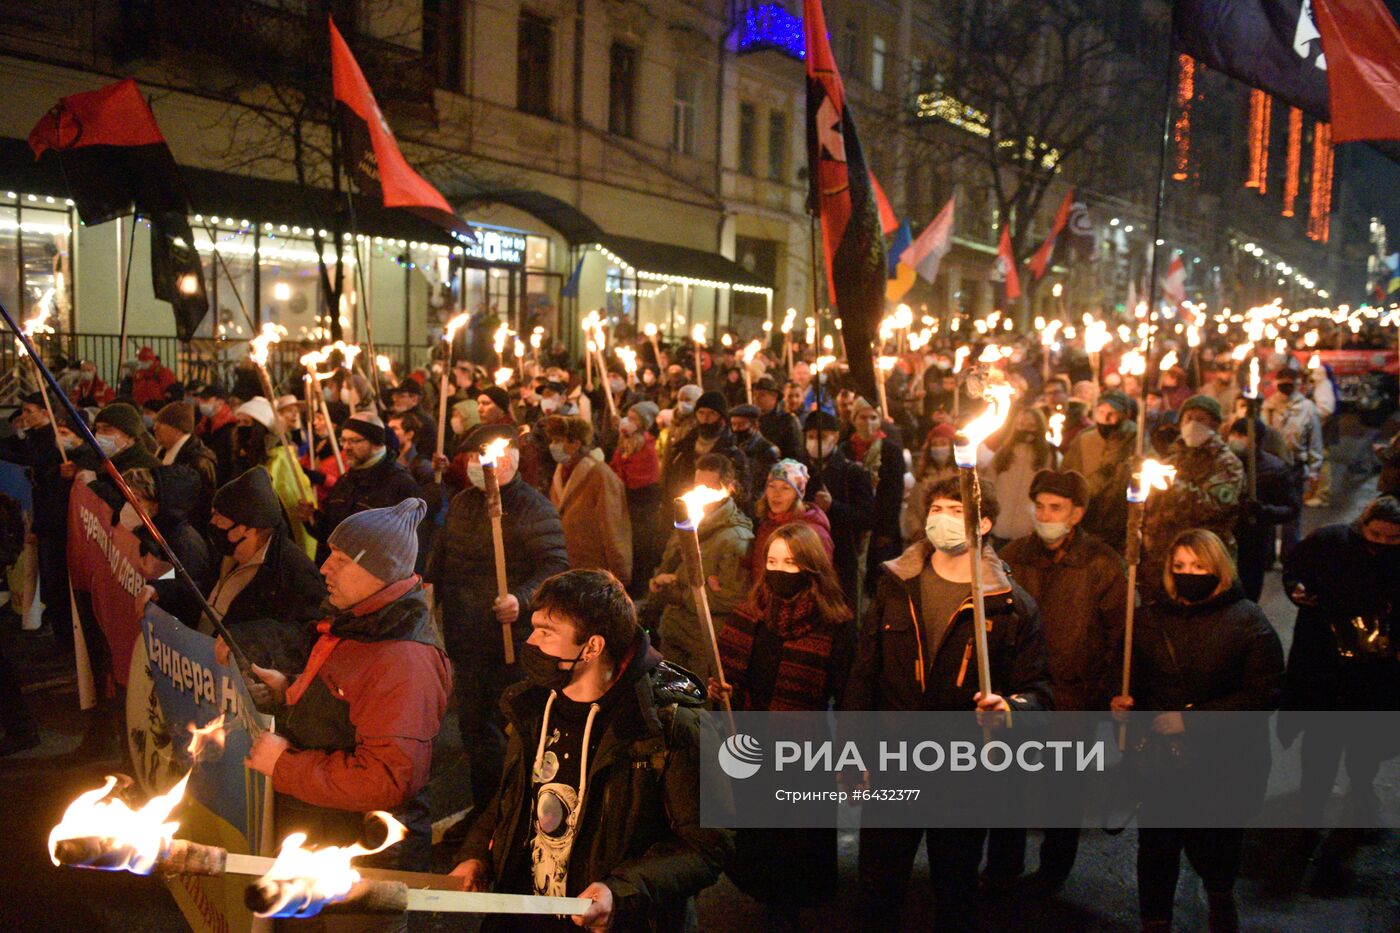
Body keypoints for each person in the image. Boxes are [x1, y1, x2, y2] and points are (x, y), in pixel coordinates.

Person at [449, 569, 733, 932]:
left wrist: (619, 892)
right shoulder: (532, 706)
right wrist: (477, 853)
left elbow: (707, 846)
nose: (531, 641)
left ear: (593, 647)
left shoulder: (668, 725)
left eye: (546, 632)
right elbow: (513, 798)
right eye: (534, 627)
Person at [844, 476, 1051, 932]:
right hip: (892, 760)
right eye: (936, 509)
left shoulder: (1010, 606)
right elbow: (864, 674)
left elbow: (1038, 691)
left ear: (984, 523)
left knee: (955, 887)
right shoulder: (896, 584)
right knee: (878, 883)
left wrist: (1010, 709)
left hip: (964, 771)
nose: (942, 519)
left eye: (956, 512)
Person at [243, 498, 451, 876]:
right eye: (330, 555)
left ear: (381, 571)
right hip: (332, 832)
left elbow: (385, 779)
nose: (324, 569)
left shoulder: (404, 659)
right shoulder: (363, 620)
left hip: (370, 854)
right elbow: (350, 700)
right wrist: (290, 690)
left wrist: (283, 766)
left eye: (342, 560)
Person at [1112, 529, 1284, 933]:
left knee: (1217, 843)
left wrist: (1192, 720)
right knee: (1156, 847)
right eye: (1180, 566)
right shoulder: (1149, 618)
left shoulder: (1247, 622)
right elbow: (1127, 677)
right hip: (1159, 761)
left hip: (1223, 763)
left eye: (1199, 566)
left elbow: (1264, 695)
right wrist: (1121, 703)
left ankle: (1220, 894)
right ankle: (1155, 919)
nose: (1189, 573)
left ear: (1218, 568)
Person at [709, 524, 853, 925]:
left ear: (811, 567)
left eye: (789, 562)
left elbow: (847, 700)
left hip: (802, 752)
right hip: (751, 747)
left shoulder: (834, 626)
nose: (779, 570)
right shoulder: (748, 615)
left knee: (795, 844)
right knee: (759, 840)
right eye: (772, 561)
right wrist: (720, 690)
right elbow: (725, 681)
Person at [426, 424, 570, 817]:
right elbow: (440, 560)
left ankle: (516, 814)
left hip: (512, 643)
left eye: (490, 456)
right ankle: (484, 813)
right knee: (474, 731)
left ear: (515, 459)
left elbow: (555, 567)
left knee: (511, 733)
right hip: (465, 638)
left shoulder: (533, 507)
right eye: (474, 457)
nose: (483, 464)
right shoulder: (463, 503)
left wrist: (520, 600)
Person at [995, 469, 1128, 892]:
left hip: (1073, 696)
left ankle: (1054, 870)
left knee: (1062, 789)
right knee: (1009, 785)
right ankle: (1002, 866)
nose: (1045, 514)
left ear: (1076, 514)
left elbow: (1119, 635)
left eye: (1056, 507)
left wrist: (1099, 691)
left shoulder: (1103, 564)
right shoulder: (1013, 555)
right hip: (1019, 694)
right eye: (1040, 505)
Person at [1280, 495, 1400, 826]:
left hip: (1376, 669)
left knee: (1367, 739)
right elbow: (1295, 568)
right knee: (1322, 739)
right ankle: (1312, 802)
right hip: (1326, 663)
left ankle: (1361, 786)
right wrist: (1296, 588)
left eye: (1393, 539)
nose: (1383, 544)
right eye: (1377, 535)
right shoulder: (1330, 542)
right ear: (1364, 526)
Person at [144, 466, 326, 637]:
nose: (213, 522)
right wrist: (161, 590)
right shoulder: (225, 553)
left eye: (221, 517)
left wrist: (245, 639)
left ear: (250, 528)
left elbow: (301, 634)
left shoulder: (294, 573)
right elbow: (201, 592)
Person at [649, 453, 754, 685]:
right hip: (672, 631)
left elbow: (733, 598)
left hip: (702, 642)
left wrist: (680, 593)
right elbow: (669, 563)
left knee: (698, 711)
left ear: (726, 488)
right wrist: (660, 581)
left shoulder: (735, 537)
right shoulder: (688, 520)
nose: (699, 492)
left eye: (707, 487)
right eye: (697, 485)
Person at [1140, 395, 1244, 603]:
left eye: (1201, 419)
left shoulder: (1226, 464)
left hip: (1201, 560)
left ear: (1215, 423)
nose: (1193, 424)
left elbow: (1217, 507)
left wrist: (1175, 487)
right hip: (1160, 558)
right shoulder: (1172, 459)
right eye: (1188, 418)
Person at [297, 412, 424, 564]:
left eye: (354, 441)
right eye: (343, 440)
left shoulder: (400, 485)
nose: (346, 448)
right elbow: (331, 535)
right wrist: (313, 519)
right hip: (337, 577)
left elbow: (404, 548)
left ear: (376, 443)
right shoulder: (345, 481)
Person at [546, 415, 633, 586]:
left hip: (594, 567)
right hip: (568, 562)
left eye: (558, 440)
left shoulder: (600, 475)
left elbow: (613, 526)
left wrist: (620, 573)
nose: (552, 446)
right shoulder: (561, 470)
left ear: (576, 443)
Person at [801, 410, 874, 609]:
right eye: (811, 437)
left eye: (822, 437)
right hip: (808, 558)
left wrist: (833, 506)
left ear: (835, 437)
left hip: (842, 559)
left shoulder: (854, 472)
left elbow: (867, 518)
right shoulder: (801, 471)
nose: (815, 441)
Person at [233, 396, 318, 560]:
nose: (241, 429)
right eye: (240, 423)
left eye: (247, 423)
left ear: (260, 427)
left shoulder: (280, 458)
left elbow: (289, 502)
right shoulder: (244, 458)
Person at [1226, 417, 1301, 602]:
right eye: (1233, 434)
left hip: (1254, 541)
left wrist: (1263, 511)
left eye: (1242, 435)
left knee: (1247, 593)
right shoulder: (1222, 464)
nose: (1236, 438)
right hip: (1224, 539)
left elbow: (1291, 508)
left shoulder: (1274, 469)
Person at [841, 397, 907, 591]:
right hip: (854, 523)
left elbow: (894, 493)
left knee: (878, 580)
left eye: (873, 418)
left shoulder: (891, 451)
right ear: (854, 419)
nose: (868, 423)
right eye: (862, 417)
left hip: (881, 527)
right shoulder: (845, 449)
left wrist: (886, 530)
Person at [1262, 360, 1323, 560]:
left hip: (1295, 466)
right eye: (1283, 381)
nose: (1286, 386)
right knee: (1268, 513)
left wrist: (1314, 470)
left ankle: (1290, 556)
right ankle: (1267, 556)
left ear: (1298, 384)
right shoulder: (1268, 406)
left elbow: (1315, 441)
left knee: (1292, 515)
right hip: (1271, 466)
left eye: (1291, 382)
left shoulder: (1307, 408)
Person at [1061, 389, 1137, 546]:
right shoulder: (1084, 439)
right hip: (1088, 517)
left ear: (1124, 415)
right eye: (1101, 411)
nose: (1106, 417)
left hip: (1121, 521)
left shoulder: (1135, 440)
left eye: (1112, 412)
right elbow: (1069, 473)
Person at [609, 401, 663, 595]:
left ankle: (640, 585)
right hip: (628, 499)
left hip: (642, 500)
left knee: (641, 543)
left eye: (633, 419)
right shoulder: (625, 440)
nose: (628, 421)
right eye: (628, 417)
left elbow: (639, 477)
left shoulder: (647, 445)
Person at [751, 459, 834, 583]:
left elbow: (820, 581)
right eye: (771, 486)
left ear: (797, 495)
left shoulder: (813, 532)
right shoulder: (767, 523)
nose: (776, 494)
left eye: (785, 488)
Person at [662, 391, 748, 507]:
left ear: (721, 417)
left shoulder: (733, 453)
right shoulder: (682, 449)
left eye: (711, 413)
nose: (705, 419)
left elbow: (741, 494)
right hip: (683, 515)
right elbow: (669, 485)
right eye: (701, 413)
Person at [986, 408, 1054, 547]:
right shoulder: (1005, 451)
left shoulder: (1045, 454)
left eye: (1031, 425)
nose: (1025, 429)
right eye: (1022, 424)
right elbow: (990, 481)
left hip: (1027, 524)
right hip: (1000, 520)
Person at [152, 401, 217, 530]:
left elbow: (201, 508)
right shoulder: (162, 451)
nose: (155, 428)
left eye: (161, 423)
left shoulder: (198, 462)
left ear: (178, 429)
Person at [903, 423, 961, 544]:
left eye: (943, 444)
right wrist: (916, 531)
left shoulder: (962, 476)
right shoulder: (923, 476)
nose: (939, 448)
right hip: (926, 539)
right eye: (935, 444)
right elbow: (913, 508)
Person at [729, 403, 780, 510]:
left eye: (741, 424)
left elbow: (766, 484)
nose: (736, 429)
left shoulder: (767, 450)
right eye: (733, 425)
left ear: (755, 425)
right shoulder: (734, 448)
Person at [191, 381, 240, 486]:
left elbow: (232, 461)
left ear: (220, 402)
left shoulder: (231, 426)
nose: (201, 404)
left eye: (206, 400)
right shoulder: (205, 423)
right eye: (200, 400)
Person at [754, 376, 802, 460]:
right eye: (755, 395)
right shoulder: (755, 421)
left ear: (774, 397)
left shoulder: (787, 421)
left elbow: (795, 452)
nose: (757, 398)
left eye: (762, 394)